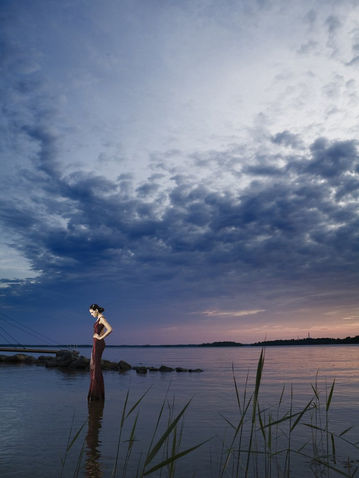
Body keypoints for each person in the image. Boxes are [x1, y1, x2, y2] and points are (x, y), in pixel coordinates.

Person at [88, 304, 112, 401]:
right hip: (95, 344)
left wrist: (100, 337)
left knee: (96, 367)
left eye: (92, 312)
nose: (91, 314)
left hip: (99, 344)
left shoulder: (102, 318)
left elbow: (110, 329)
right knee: (93, 366)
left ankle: (96, 394)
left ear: (96, 310)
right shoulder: (98, 319)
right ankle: (95, 392)